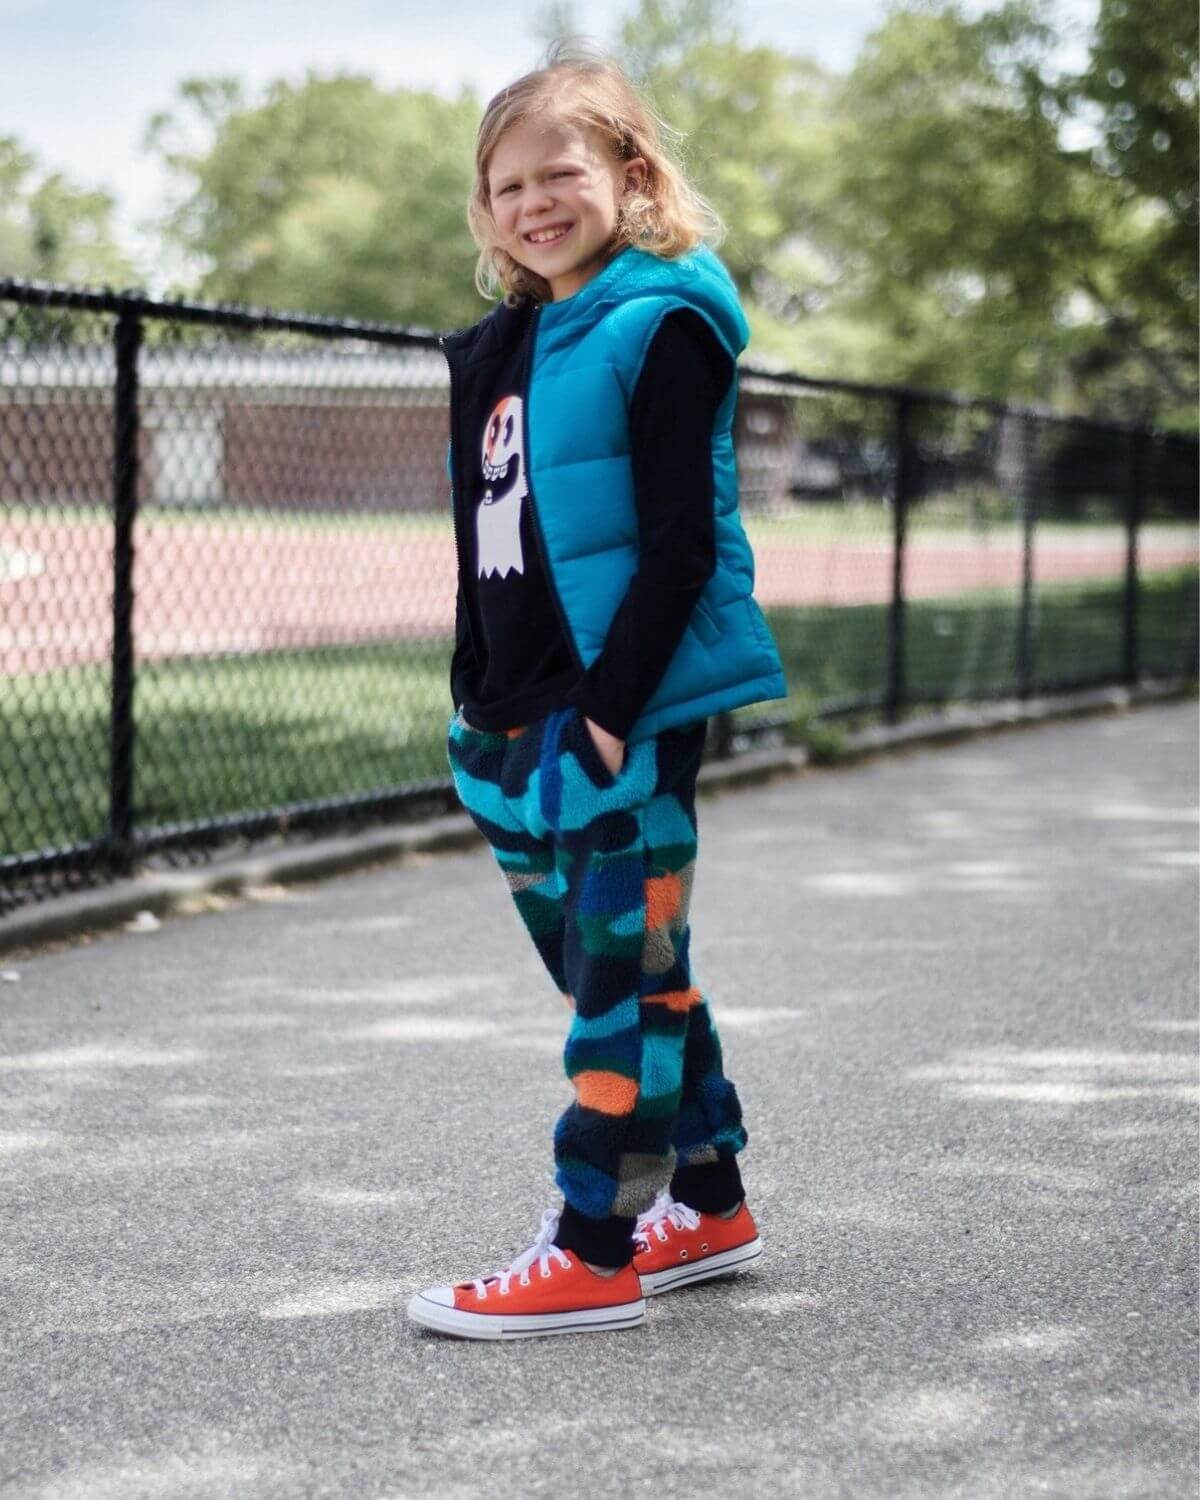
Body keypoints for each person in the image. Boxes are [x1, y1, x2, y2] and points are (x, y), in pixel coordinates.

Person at [406, 40, 787, 1341]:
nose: (532, 203)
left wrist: (614, 715)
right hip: (515, 719)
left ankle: (594, 1243)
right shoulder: (516, 339)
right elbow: (491, 536)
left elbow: (679, 545)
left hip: (620, 713)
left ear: (630, 172)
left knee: (615, 989)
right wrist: (475, 713)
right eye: (505, 186)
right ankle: (713, 1195)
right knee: (623, 962)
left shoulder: (659, 320)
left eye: (558, 171)